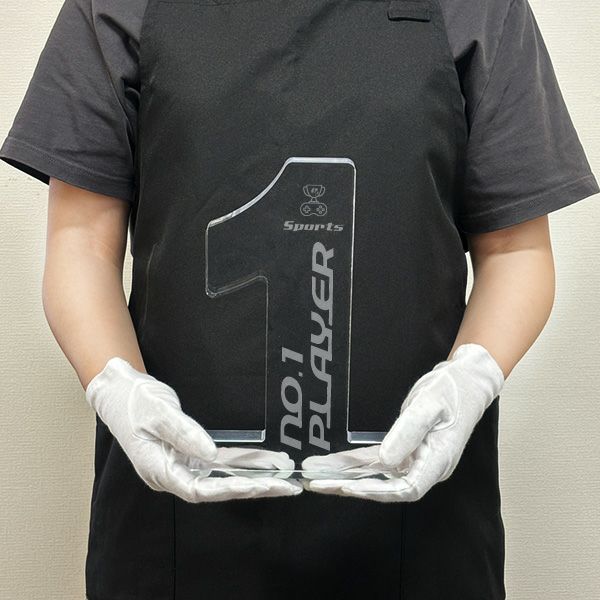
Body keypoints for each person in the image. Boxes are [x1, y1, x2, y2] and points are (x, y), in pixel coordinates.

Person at [1, 0, 598, 598]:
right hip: (174, 532)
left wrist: (473, 376)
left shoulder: (481, 9)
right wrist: (116, 385)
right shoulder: (114, 7)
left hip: (418, 532)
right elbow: (81, 243)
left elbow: (514, 251)